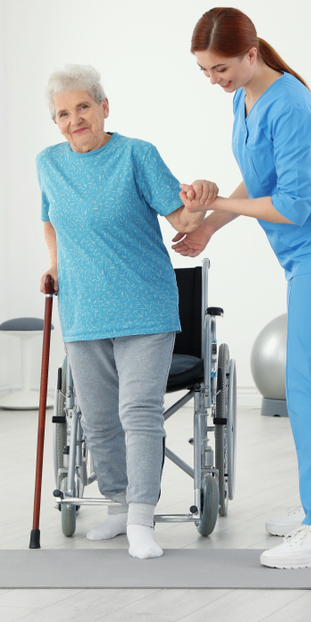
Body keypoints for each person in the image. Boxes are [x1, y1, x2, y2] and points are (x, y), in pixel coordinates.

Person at [174, 8, 311, 569]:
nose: (216, 80)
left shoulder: (288, 103)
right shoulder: (248, 99)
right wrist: (211, 226)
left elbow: (293, 204)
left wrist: (212, 204)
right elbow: (259, 179)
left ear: (251, 51)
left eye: (221, 68)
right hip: (306, 257)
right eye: (206, 72)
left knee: (310, 382)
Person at [37, 64, 217, 559]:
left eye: (83, 108)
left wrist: (199, 203)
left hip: (144, 306)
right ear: (55, 122)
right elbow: (50, 220)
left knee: (138, 412)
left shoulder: (137, 155)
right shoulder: (48, 163)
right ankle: (117, 506)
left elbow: (179, 216)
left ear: (104, 107)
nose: (75, 120)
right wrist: (54, 264)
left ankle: (142, 517)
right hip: (83, 308)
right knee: (97, 418)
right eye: (63, 114)